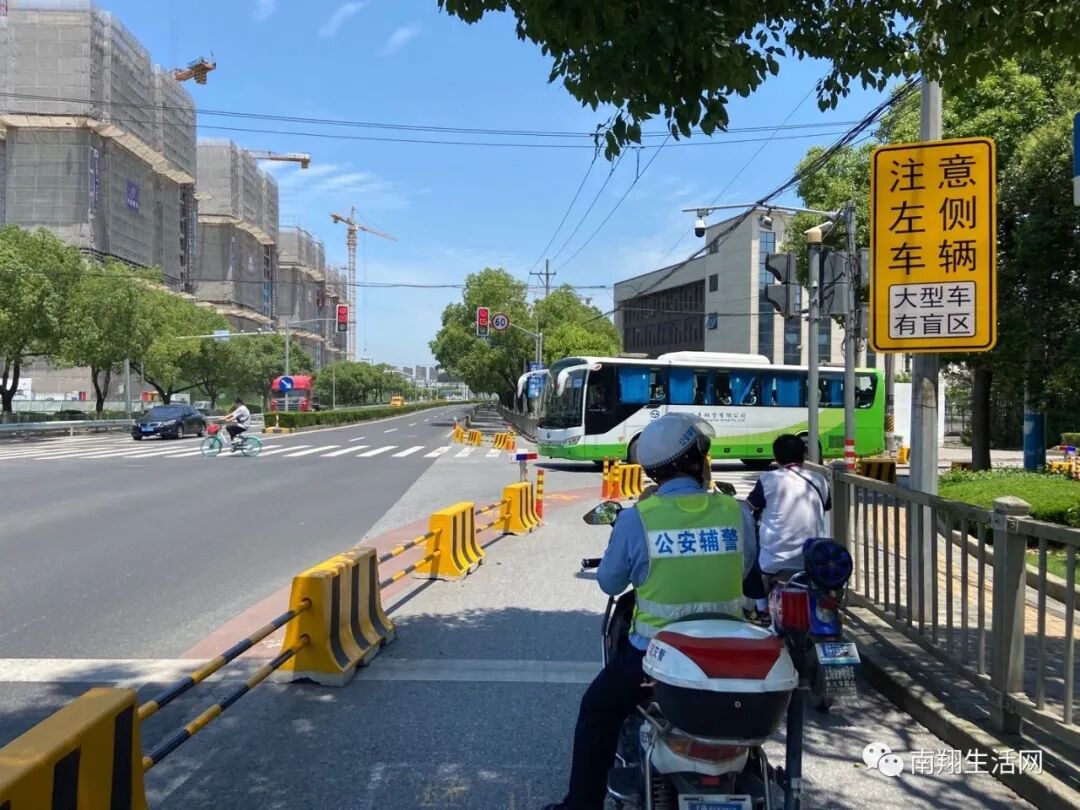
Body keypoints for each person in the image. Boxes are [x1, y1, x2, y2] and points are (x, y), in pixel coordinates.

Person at [544, 413, 755, 810]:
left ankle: (581, 805)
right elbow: (744, 570)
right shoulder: (736, 511)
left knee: (596, 712)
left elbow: (610, 583)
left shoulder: (637, 519)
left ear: (652, 471)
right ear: (698, 462)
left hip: (654, 661)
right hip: (729, 657)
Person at [743, 434, 831, 623]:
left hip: (775, 560)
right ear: (803, 455)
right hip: (814, 558)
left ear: (776, 457)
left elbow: (751, 506)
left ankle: (762, 610)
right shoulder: (819, 479)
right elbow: (826, 505)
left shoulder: (768, 479)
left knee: (749, 562)